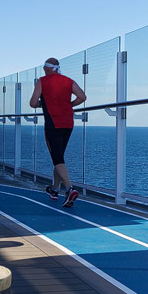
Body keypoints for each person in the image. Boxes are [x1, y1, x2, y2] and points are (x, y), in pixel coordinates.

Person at [29, 58, 86, 207]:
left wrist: (42, 104)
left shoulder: (42, 81)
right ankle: (54, 190)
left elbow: (33, 103)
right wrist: (69, 105)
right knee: (59, 157)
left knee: (57, 159)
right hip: (68, 123)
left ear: (47, 69)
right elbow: (82, 97)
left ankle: (69, 189)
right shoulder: (68, 81)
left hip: (53, 124)